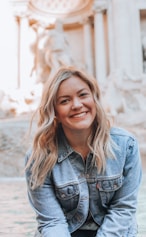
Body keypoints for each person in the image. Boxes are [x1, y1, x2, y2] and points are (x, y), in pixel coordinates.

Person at [25, 66, 142, 237]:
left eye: (83, 95)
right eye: (65, 101)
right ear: (54, 111)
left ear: (94, 98)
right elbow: (52, 222)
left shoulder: (126, 146)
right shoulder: (38, 158)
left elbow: (123, 209)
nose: (77, 105)